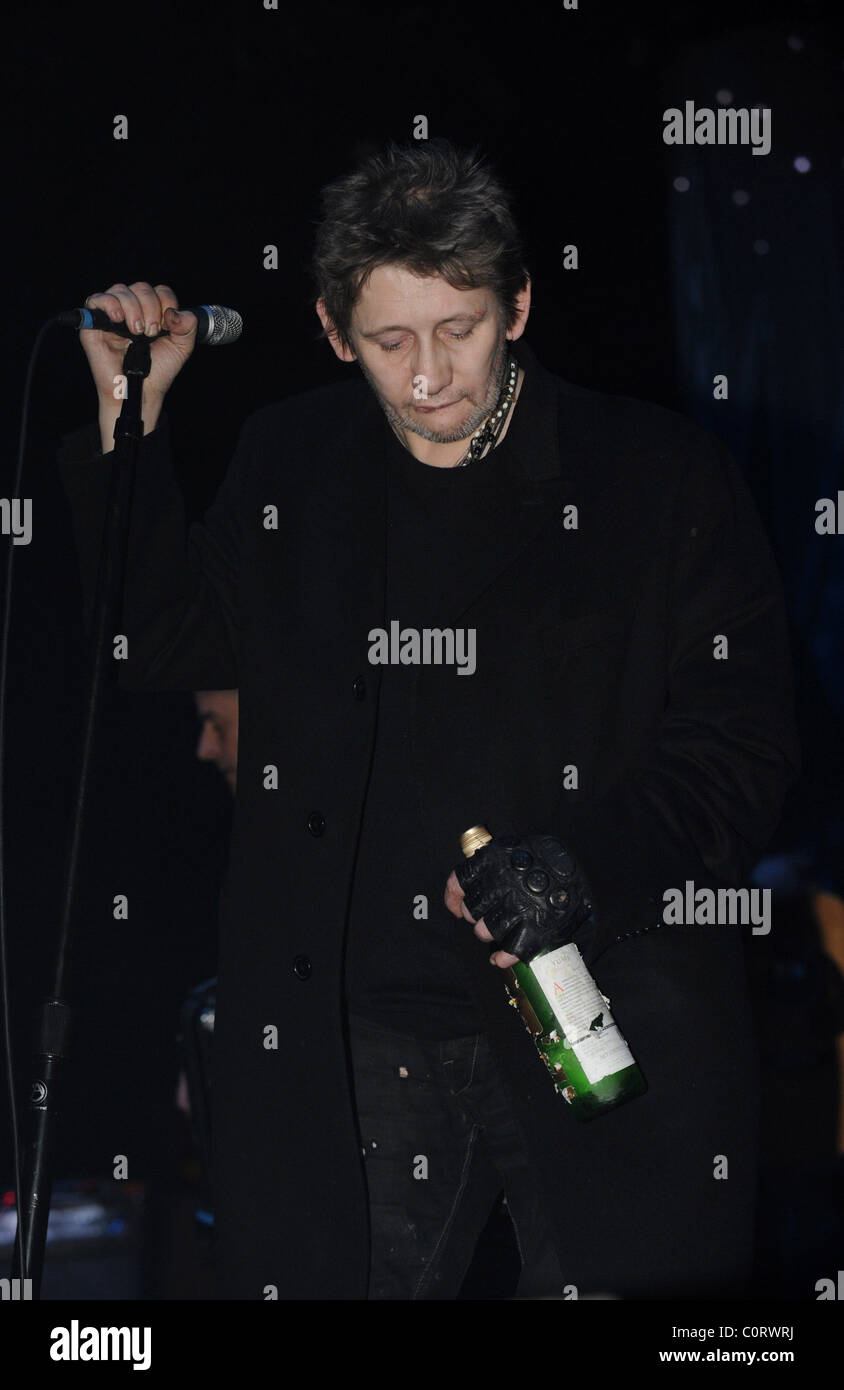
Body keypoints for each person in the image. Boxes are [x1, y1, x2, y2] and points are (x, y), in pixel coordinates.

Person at [58, 138, 800, 1300]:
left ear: (518, 302)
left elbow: (739, 745)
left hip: (602, 1015)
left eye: (457, 330)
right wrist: (127, 421)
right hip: (356, 1039)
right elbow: (154, 644)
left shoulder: (655, 477)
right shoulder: (290, 461)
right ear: (330, 327)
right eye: (389, 341)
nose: (427, 377)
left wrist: (580, 862)